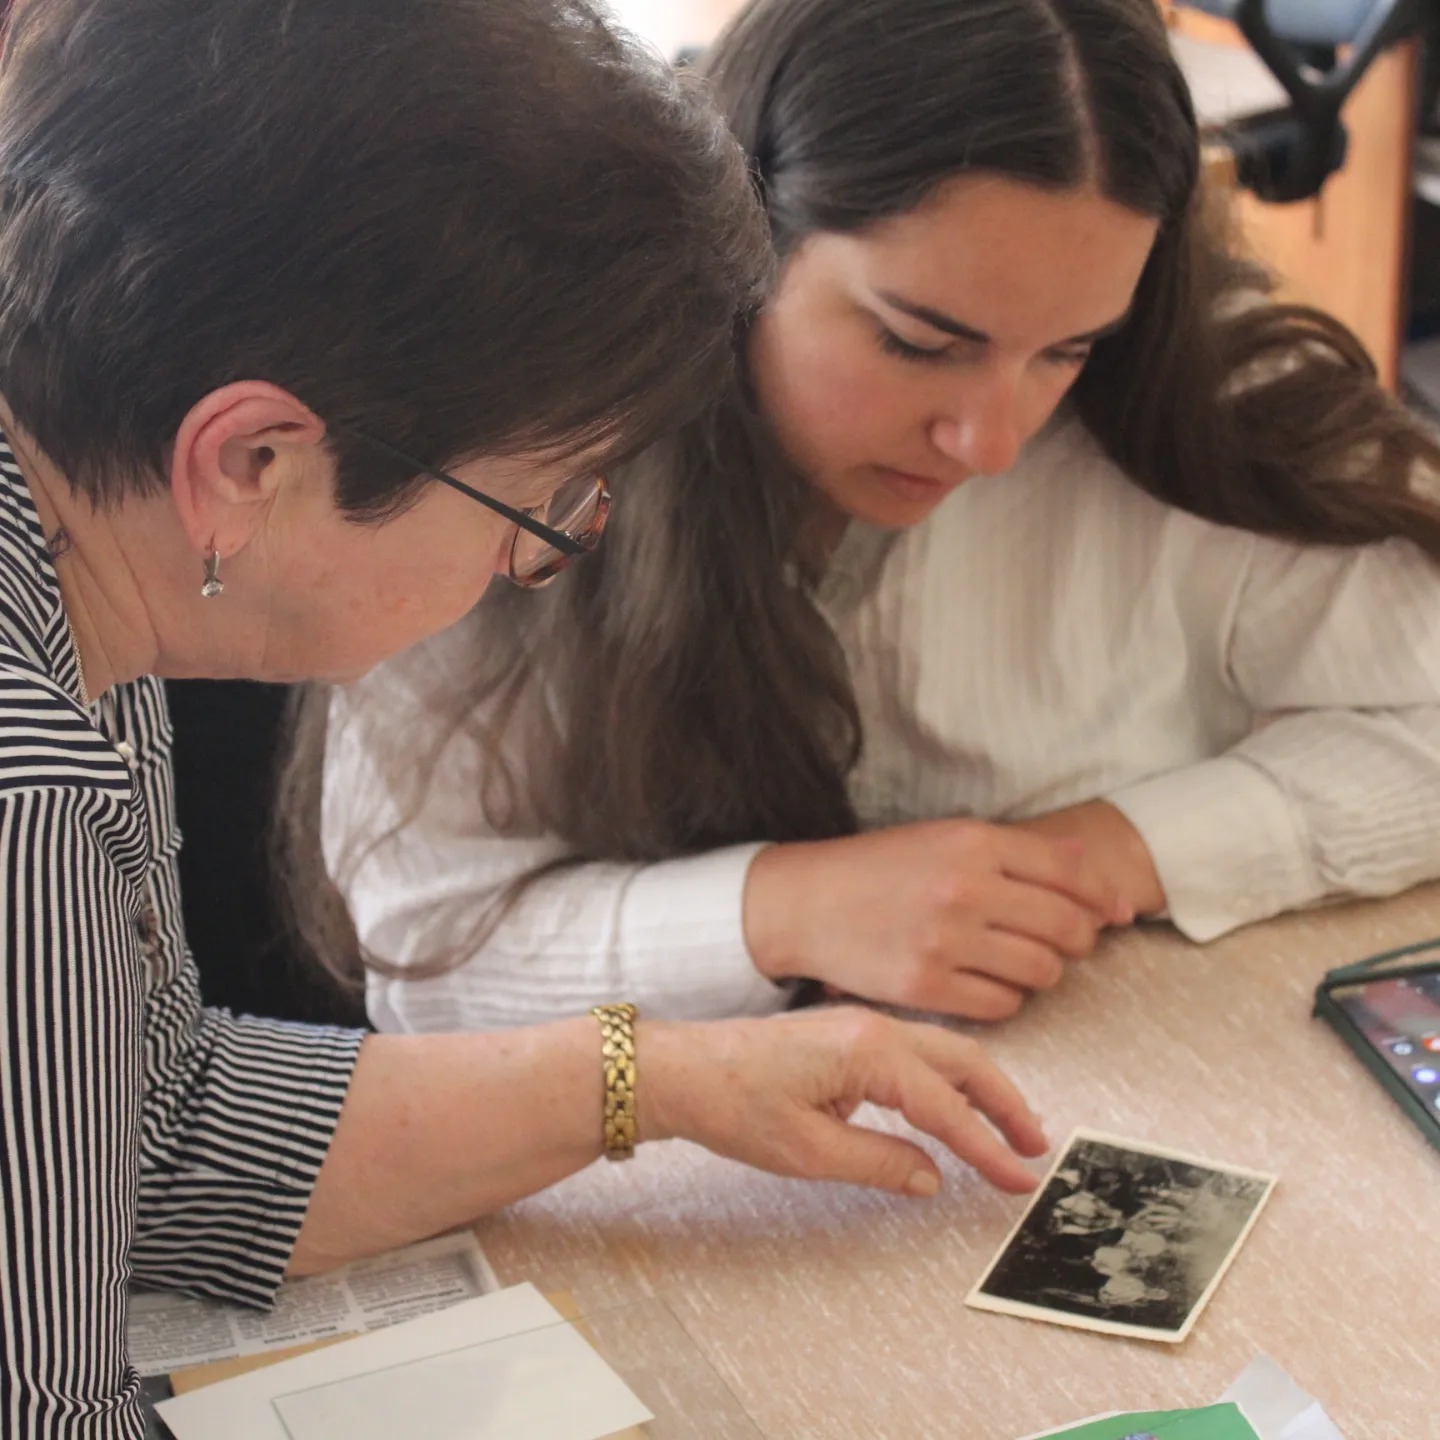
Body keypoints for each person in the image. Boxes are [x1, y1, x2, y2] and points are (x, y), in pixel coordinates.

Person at [0, 3, 1049, 1435]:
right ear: (249, 462)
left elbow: (151, 1137)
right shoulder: (31, 799)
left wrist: (657, 1076)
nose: (531, 560)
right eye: (537, 503)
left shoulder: (84, 550)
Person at [314, 0, 1440, 1034]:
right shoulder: (521, 457)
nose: (992, 444)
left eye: (1068, 351)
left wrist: (1096, 856)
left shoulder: (1213, 419)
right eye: (917, 342)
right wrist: (785, 911)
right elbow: (430, 961)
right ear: (739, 238)